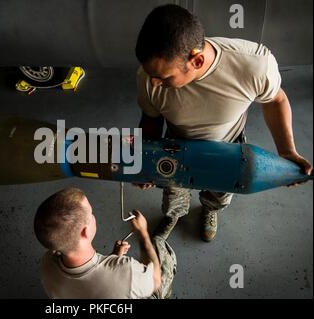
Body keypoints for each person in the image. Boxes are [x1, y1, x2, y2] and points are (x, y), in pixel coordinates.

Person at [134, 4, 312, 242]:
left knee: (219, 194)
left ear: (196, 61)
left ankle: (209, 209)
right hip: (176, 146)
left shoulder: (254, 65)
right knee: (173, 192)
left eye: (164, 78)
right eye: (152, 76)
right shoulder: (147, 79)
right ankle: (173, 215)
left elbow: (275, 100)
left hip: (228, 148)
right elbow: (151, 119)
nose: (154, 83)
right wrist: (144, 162)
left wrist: (287, 150)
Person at [34, 187, 177, 299]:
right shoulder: (126, 271)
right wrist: (143, 233)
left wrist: (113, 257)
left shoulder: (47, 265)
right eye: (91, 213)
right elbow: (155, 280)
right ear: (85, 232)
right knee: (159, 247)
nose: (93, 215)